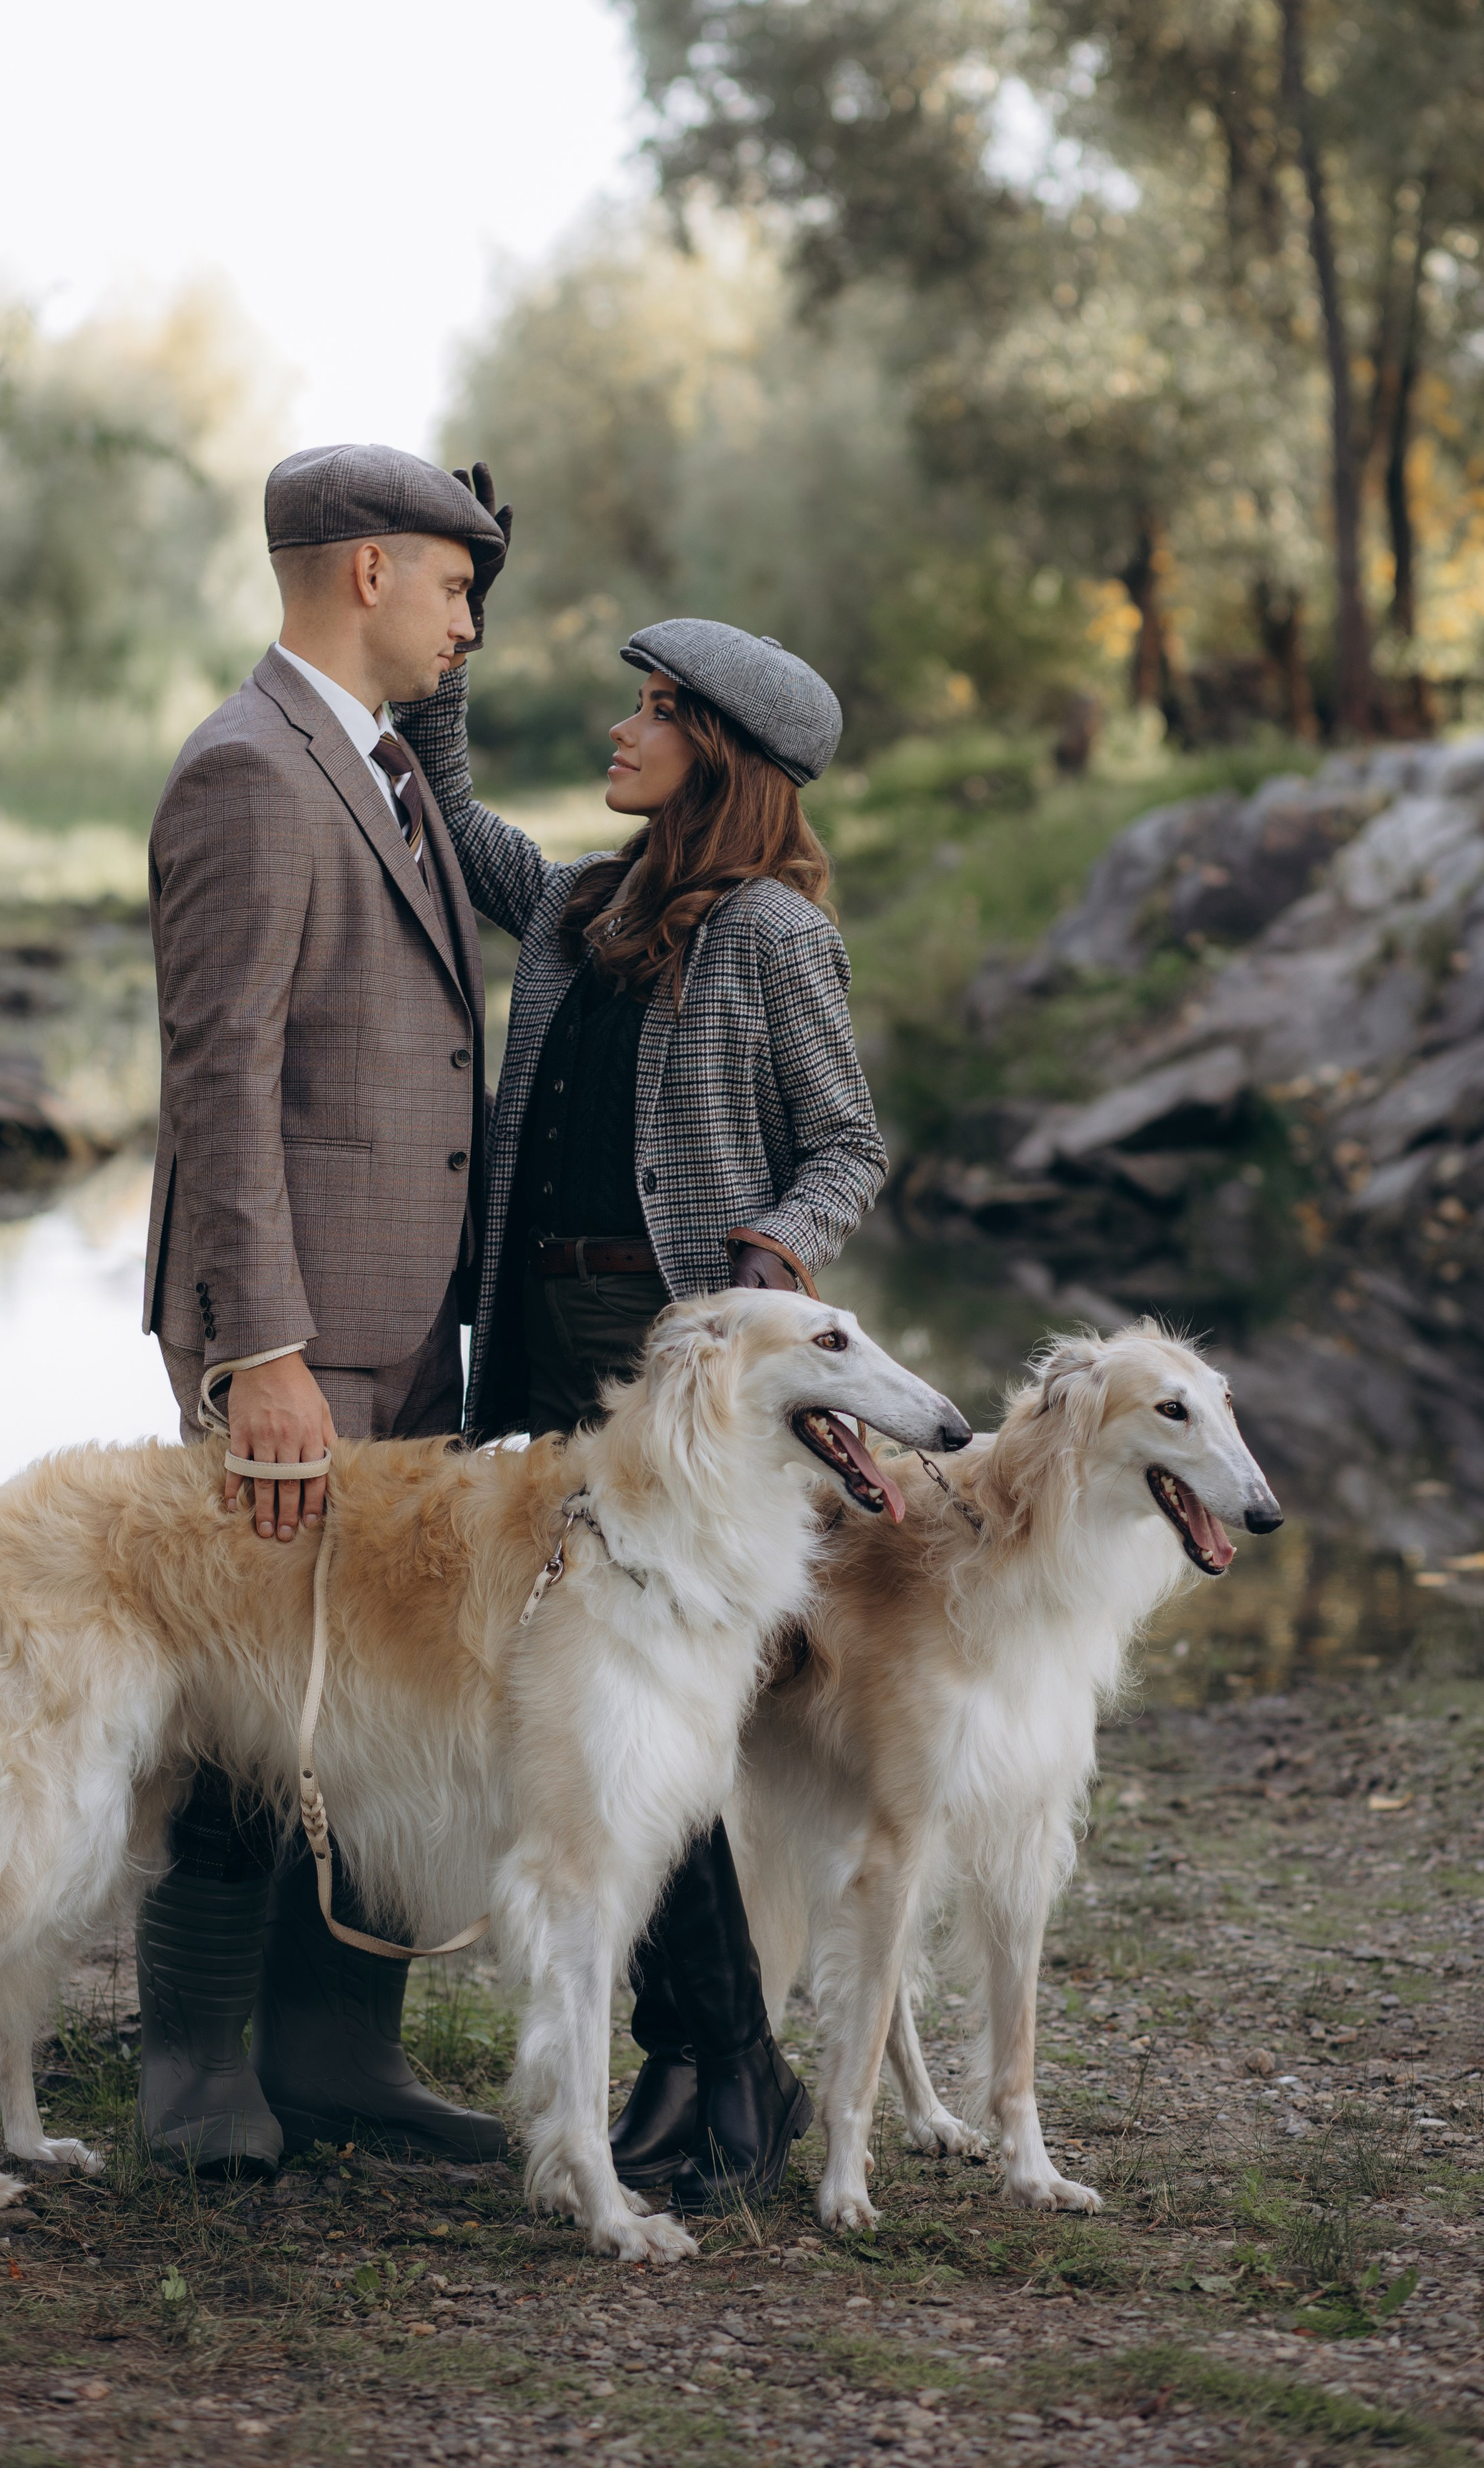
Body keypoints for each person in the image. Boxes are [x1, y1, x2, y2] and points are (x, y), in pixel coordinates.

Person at [396, 611, 887, 2206]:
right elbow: (464, 833)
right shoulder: (584, 902)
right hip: (533, 1327)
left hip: (664, 1350)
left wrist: (774, 1248)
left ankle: (711, 2066)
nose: (621, 734)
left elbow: (848, 1146)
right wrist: (443, 663)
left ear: (721, 758)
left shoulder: (768, 932)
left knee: (649, 1718)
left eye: (654, 713)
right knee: (592, 1721)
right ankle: (713, 2067)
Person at [137, 441, 512, 2172]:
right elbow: (222, 1083)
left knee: (368, 1700)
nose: (469, 626)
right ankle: (196, 2071)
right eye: (454, 585)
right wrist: (259, 1358)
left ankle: (336, 2058)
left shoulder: (382, 769)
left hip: (403, 1322)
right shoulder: (246, 773)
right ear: (366, 571)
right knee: (248, 1699)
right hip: (297, 1341)